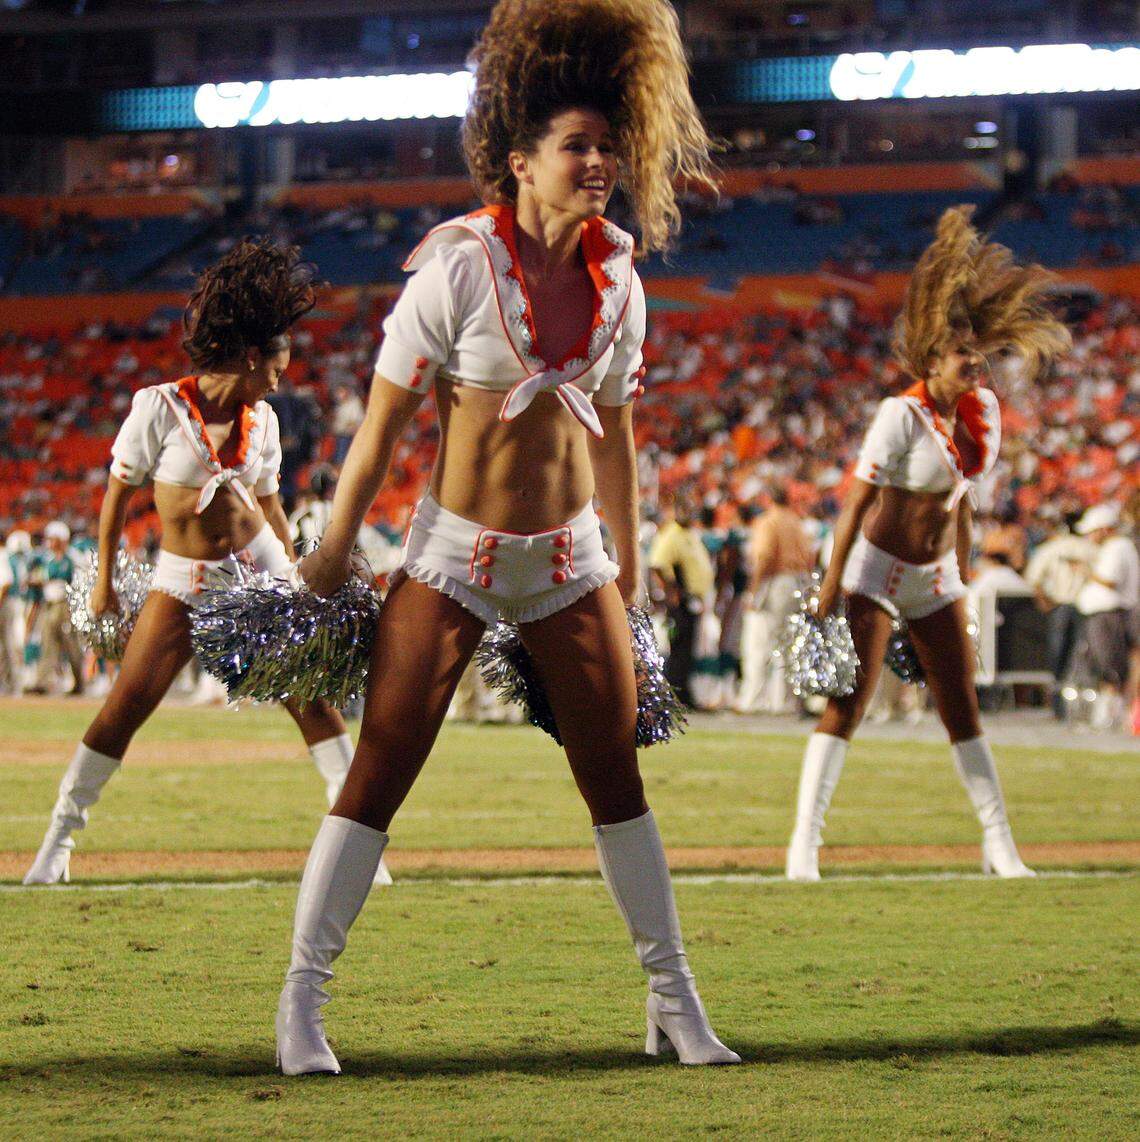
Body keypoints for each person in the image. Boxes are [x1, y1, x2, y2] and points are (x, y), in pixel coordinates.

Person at [275, 0, 739, 1075]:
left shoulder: (624, 283)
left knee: (614, 776)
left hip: (571, 563)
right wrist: (337, 543)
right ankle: (303, 1001)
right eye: (577, 146)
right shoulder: (453, 268)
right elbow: (386, 424)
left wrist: (625, 570)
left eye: (609, 146)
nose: (600, 162)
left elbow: (617, 439)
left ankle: (673, 1002)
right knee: (381, 765)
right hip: (450, 556)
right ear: (521, 163)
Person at [22, 239, 390, 888]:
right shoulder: (157, 408)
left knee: (313, 706)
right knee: (125, 704)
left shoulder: (267, 422)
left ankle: (362, 853)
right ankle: (58, 842)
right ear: (250, 357)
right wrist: (106, 578)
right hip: (183, 581)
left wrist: (298, 580)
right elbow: (115, 500)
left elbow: (272, 507)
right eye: (276, 365)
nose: (282, 378)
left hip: (259, 577)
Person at [785, 205, 1071, 882]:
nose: (974, 360)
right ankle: (805, 843)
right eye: (960, 353)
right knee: (847, 706)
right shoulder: (900, 414)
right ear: (930, 361)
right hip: (874, 571)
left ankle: (999, 845)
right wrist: (830, 588)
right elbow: (856, 501)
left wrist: (962, 574)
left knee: (961, 706)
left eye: (975, 349)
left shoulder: (984, 412)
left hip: (936, 573)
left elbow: (963, 498)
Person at [735, 486, 815, 715]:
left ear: (768, 498)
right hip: (796, 582)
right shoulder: (796, 522)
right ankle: (784, 700)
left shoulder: (768, 521)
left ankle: (754, 699)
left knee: (758, 643)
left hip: (773, 582)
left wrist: (753, 590)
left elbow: (766, 556)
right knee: (788, 644)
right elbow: (809, 557)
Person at [1073, 502, 1140, 730]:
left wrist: (1086, 570)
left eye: (1092, 532)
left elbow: (1110, 580)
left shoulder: (1118, 547)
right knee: (1104, 666)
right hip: (1105, 614)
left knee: (1109, 665)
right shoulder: (1115, 547)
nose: (1090, 537)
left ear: (1103, 529)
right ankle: (1107, 714)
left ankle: (1110, 716)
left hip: (1108, 614)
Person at [1023, 510, 1094, 716]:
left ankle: (1060, 705)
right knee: (1079, 655)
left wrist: (1044, 602)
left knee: (1058, 658)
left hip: (1061, 606)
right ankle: (1077, 705)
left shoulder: (1051, 548)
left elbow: (1033, 579)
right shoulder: (1089, 548)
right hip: (1084, 607)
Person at [648, 494, 714, 708]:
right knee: (678, 648)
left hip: (693, 599)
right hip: (681, 600)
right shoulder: (671, 534)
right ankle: (672, 693)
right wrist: (671, 592)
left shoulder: (689, 534)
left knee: (687, 649)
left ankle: (683, 693)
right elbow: (658, 564)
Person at [25, 521, 85, 696]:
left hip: (65, 605)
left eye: (53, 538)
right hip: (49, 604)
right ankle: (42, 682)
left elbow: (79, 582)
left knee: (71, 644)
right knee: (47, 642)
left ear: (61, 539)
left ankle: (79, 682)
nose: (50, 542)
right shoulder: (48, 559)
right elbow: (42, 576)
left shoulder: (72, 558)